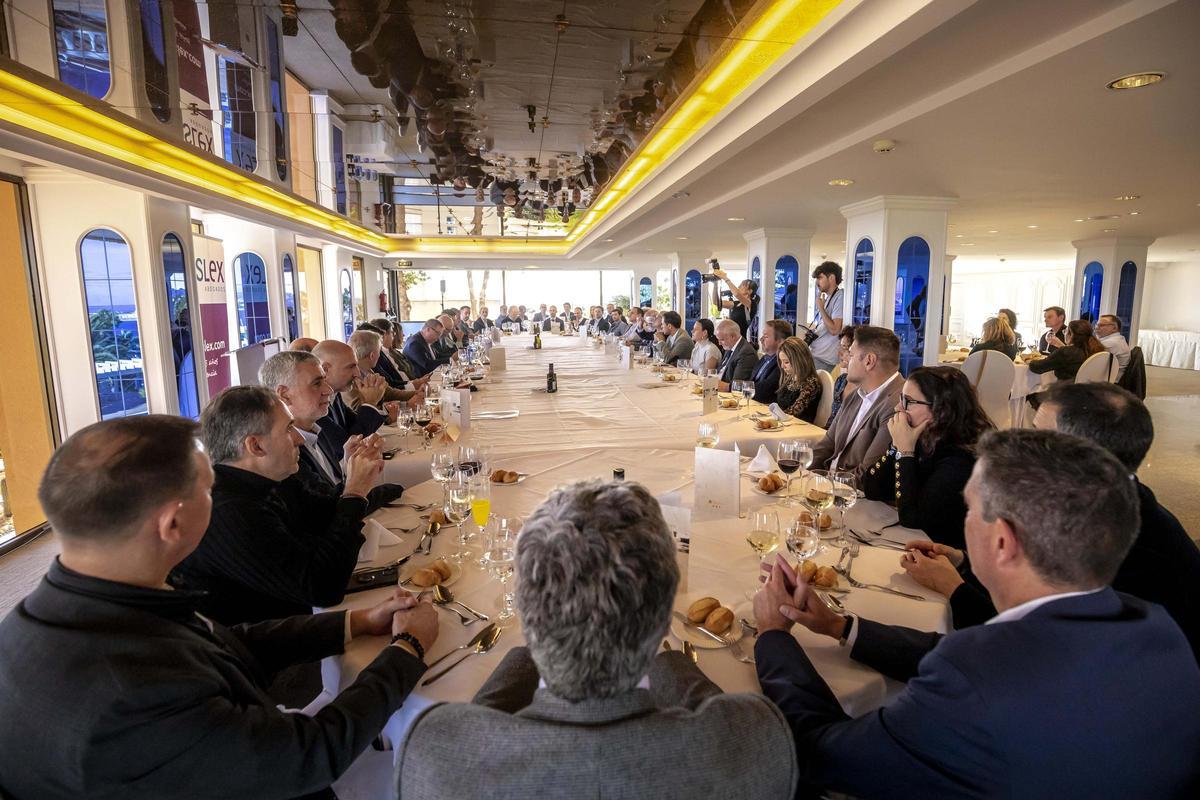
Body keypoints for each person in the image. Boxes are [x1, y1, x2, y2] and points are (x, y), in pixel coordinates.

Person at [0, 415, 438, 800]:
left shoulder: (70, 604)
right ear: (172, 523)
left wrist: (356, 621)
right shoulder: (131, 691)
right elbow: (309, 756)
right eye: (209, 489)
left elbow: (220, 642)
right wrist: (406, 650)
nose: (218, 498)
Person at [753, 429, 1200, 799]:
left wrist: (774, 636)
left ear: (1003, 542)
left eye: (970, 510)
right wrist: (840, 626)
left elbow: (824, 754)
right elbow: (970, 654)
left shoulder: (974, 686)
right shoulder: (1153, 624)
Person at [396, 480, 798, 799]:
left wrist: (532, 648)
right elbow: (725, 718)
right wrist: (670, 661)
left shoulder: (435, 752)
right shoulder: (757, 739)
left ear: (529, 615)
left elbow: (476, 728)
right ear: (661, 625)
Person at [904, 382, 1200, 659]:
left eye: (1038, 437)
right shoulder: (1098, 502)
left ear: (1080, 453)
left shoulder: (1138, 548)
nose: (1022, 445)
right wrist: (964, 561)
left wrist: (954, 588)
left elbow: (1047, 644)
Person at [170, 386, 377, 626]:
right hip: (264, 654)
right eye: (289, 429)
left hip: (300, 628)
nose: (300, 438)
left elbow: (324, 515)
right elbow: (322, 588)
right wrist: (355, 492)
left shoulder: (274, 479)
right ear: (255, 446)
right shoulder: (228, 511)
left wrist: (355, 484)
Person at [859, 366, 992, 550]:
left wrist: (905, 451)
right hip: (917, 544)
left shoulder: (961, 456)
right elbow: (872, 488)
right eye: (901, 399)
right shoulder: (924, 437)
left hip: (952, 558)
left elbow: (913, 518)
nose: (898, 408)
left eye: (908, 402)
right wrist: (897, 447)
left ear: (941, 409)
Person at [261, 350, 404, 510]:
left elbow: (331, 485)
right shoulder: (283, 452)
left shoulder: (315, 429)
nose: (328, 390)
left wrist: (346, 464)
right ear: (285, 395)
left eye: (324, 381)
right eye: (317, 383)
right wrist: (394, 489)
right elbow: (325, 512)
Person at [810, 325, 902, 476]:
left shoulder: (896, 404)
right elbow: (827, 445)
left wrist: (823, 483)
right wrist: (801, 472)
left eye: (851, 355)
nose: (844, 357)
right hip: (828, 482)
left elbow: (867, 474)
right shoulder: (856, 394)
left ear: (869, 361)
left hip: (854, 493)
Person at [312, 339, 393, 445]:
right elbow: (347, 445)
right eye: (351, 367)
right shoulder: (313, 404)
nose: (357, 373)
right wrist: (370, 403)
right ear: (325, 369)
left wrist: (375, 399)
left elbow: (356, 426)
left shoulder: (335, 395)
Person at [347, 329, 417, 406]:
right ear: (372, 355)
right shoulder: (349, 380)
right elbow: (359, 411)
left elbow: (388, 393)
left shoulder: (368, 371)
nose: (380, 355)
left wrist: (417, 394)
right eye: (379, 351)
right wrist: (405, 404)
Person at [1029, 318, 1104, 381]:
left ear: (1071, 335)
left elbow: (1037, 367)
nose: (1064, 333)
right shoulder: (1097, 349)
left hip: (1067, 391)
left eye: (1065, 331)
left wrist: (1028, 360)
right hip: (1092, 391)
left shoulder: (1066, 352)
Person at [805, 261, 845, 373]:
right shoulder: (828, 298)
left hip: (824, 359)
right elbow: (826, 325)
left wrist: (821, 308)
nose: (817, 282)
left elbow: (835, 329)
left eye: (820, 278)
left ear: (831, 277)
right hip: (816, 354)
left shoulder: (840, 296)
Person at [775, 336, 822, 423]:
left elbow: (794, 412)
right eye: (781, 362)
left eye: (786, 362)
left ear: (799, 360)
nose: (782, 366)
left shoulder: (811, 383)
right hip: (785, 425)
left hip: (799, 429)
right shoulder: (790, 378)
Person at [750, 319, 791, 404]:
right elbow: (751, 381)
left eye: (765, 336)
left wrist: (736, 388)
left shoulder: (784, 364)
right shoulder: (764, 358)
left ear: (780, 341)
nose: (761, 340)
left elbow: (765, 390)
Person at [713, 268, 759, 343]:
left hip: (740, 341)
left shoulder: (752, 304)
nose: (739, 286)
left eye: (742, 285)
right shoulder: (736, 303)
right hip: (729, 339)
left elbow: (737, 294)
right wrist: (715, 283)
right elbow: (716, 302)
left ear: (750, 291)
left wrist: (725, 278)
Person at [715, 317, 759, 389]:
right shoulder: (730, 346)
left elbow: (737, 385)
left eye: (722, 340)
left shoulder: (746, 353)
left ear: (733, 336)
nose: (719, 343)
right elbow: (721, 371)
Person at [825, 325, 856, 427]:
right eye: (841, 346)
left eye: (845, 347)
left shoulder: (865, 387)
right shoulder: (841, 380)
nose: (840, 353)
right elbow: (832, 421)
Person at [1095, 313, 1131, 379]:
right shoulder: (1118, 339)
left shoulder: (1112, 343)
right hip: (1108, 375)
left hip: (1109, 381)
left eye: (1101, 325)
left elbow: (1089, 358)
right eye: (1097, 324)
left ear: (1114, 328)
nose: (1097, 327)